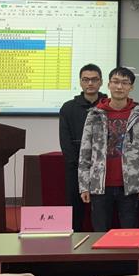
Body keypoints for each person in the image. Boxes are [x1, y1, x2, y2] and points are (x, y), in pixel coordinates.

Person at [78, 67, 139, 232]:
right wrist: (84, 185)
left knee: (129, 233)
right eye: (116, 82)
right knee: (100, 233)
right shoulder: (95, 114)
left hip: (130, 184)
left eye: (125, 83)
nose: (119, 87)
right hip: (99, 184)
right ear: (108, 84)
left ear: (131, 87)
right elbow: (85, 151)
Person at [59, 63, 106, 231]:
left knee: (102, 212)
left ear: (101, 82)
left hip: (104, 167)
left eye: (94, 79)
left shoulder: (109, 106)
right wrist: (78, 165)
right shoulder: (68, 108)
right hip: (75, 167)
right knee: (75, 210)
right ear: (80, 82)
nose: (90, 83)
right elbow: (65, 141)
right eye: (86, 79)